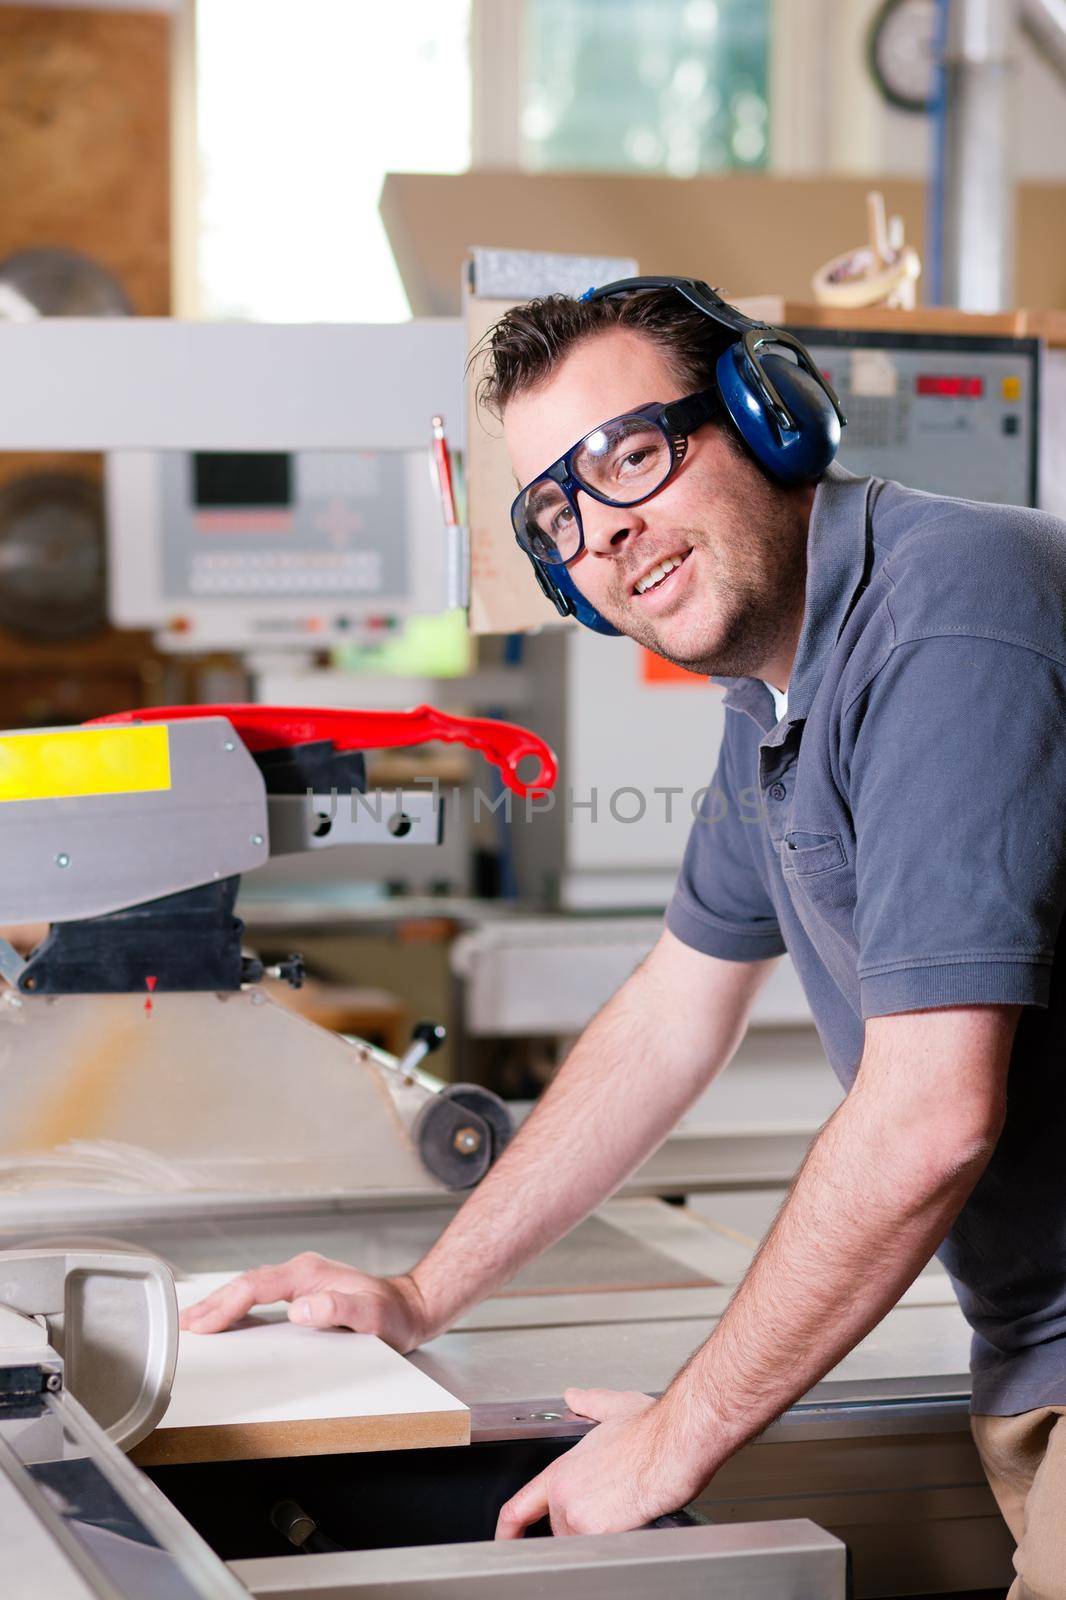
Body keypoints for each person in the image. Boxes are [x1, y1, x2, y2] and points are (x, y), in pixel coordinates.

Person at [183, 281, 1066, 1592]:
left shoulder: (947, 619)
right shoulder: (774, 686)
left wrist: (677, 1436)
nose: (605, 532)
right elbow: (669, 1013)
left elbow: (927, 1118)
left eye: (631, 455)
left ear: (773, 417)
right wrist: (426, 1294)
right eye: (559, 511)